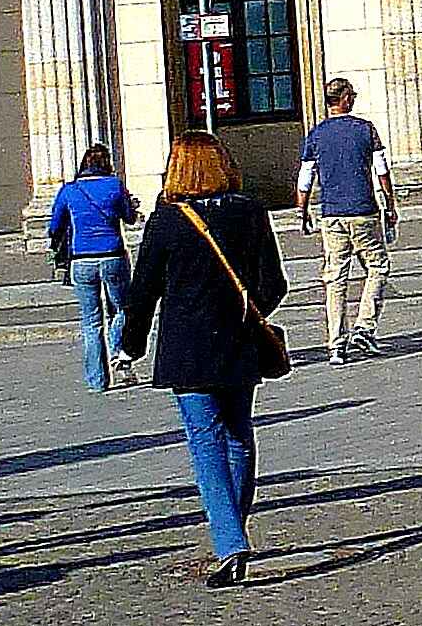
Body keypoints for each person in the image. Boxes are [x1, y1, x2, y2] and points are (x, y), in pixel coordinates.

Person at [118, 132, 291, 585]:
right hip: (238, 343)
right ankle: (234, 527)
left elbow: (143, 293)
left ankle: (229, 541)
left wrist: (130, 345)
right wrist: (246, 315)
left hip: (187, 348)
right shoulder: (251, 212)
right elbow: (274, 283)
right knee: (238, 437)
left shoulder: (167, 221)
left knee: (205, 442)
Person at [295, 80, 397, 359]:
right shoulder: (365, 129)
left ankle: (336, 343)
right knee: (377, 267)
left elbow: (305, 179)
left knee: (335, 278)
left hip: (331, 214)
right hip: (363, 210)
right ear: (346, 99)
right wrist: (390, 205)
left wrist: (302, 212)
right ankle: (364, 328)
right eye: (352, 95)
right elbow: (382, 169)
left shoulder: (316, 134)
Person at [45, 143, 142, 392]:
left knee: (90, 321)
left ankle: (97, 380)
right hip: (112, 255)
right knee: (121, 309)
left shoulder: (69, 190)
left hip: (81, 259)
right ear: (107, 163)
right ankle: (118, 351)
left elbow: (54, 226)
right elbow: (129, 217)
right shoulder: (114, 185)